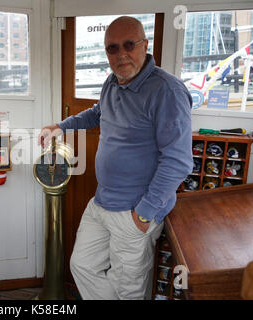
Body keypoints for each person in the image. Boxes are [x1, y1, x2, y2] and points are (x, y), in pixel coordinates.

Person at [38, 16, 193, 300]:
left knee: (129, 287)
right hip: (102, 202)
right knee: (82, 265)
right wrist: (60, 126)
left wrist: (145, 212)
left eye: (129, 44)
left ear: (145, 46)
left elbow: (178, 161)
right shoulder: (113, 82)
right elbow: (97, 113)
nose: (121, 53)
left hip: (135, 210)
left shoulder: (167, 91)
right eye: (112, 48)